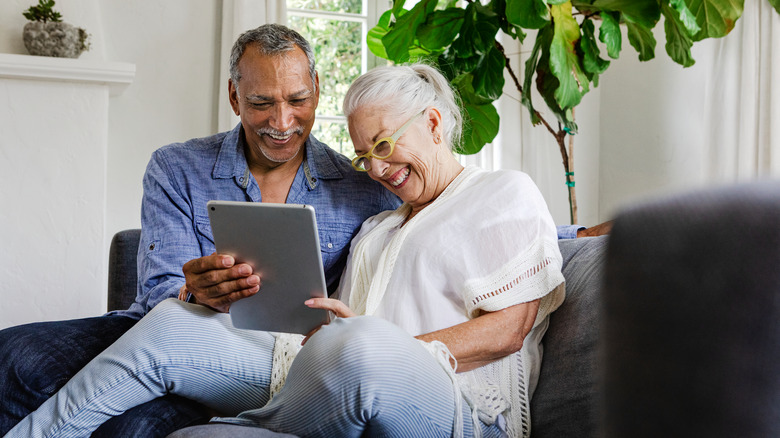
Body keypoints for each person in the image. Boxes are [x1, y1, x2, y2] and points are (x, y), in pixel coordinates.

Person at [9, 63, 566, 438]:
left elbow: (508, 330)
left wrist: (372, 342)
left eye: (384, 146)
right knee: (173, 321)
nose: (376, 168)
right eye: (362, 156)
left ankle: (253, 425)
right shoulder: (381, 223)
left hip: (453, 402)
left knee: (363, 346)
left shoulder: (502, 192)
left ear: (435, 124)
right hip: (329, 367)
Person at [0, 24, 400, 437]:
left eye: (298, 100)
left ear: (316, 89)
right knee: (12, 355)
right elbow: (159, 294)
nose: (282, 121)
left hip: (259, 359)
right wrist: (193, 293)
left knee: (132, 428)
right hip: (157, 328)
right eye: (261, 102)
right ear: (234, 96)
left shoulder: (366, 190)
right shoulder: (176, 167)